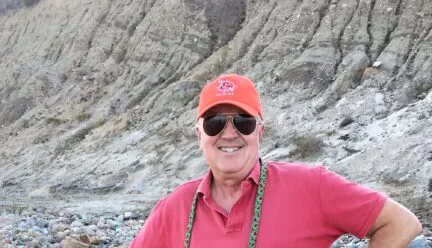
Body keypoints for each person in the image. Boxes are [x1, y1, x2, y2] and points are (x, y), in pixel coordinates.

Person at [130, 74, 422, 247]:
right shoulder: (175, 207)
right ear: (199, 134)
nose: (229, 134)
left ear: (260, 131)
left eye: (243, 122)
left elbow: (400, 223)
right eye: (215, 123)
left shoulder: (311, 187)